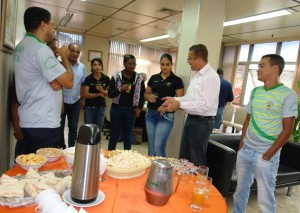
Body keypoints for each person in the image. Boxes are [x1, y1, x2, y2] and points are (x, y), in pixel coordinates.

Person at [233, 54, 298, 213]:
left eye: (262, 66)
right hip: (246, 151)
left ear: (274, 69)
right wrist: (242, 143)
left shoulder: (288, 95)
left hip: (265, 154)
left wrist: (268, 155)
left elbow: (287, 130)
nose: (258, 69)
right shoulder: (255, 91)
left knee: (265, 198)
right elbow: (248, 119)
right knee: (240, 191)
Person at [14, 7, 73, 154]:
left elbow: (38, 77)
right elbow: (69, 82)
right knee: (44, 172)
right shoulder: (41, 50)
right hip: (43, 125)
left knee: (28, 166)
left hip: (29, 121)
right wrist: (64, 56)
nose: (52, 29)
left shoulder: (21, 46)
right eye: (51, 24)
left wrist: (58, 81)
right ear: (43, 24)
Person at [162, 44, 220, 166]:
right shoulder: (197, 76)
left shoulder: (211, 77)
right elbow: (189, 98)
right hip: (191, 119)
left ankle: (197, 184)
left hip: (202, 123)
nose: (188, 62)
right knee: (184, 157)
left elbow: (205, 105)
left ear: (198, 59)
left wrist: (179, 104)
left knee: (196, 160)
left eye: (189, 58)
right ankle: (184, 184)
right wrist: (174, 99)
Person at [144, 53, 184, 157]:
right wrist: (148, 97)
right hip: (151, 114)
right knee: (151, 146)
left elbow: (180, 101)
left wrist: (165, 107)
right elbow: (146, 93)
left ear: (171, 65)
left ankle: (162, 172)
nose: (164, 67)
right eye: (162, 64)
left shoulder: (177, 80)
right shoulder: (154, 78)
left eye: (167, 64)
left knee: (158, 146)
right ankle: (151, 171)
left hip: (165, 116)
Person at [108, 54, 145, 150]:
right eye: (129, 64)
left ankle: (127, 157)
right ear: (124, 64)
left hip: (131, 111)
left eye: (134, 64)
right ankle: (109, 157)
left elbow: (142, 95)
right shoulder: (116, 77)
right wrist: (120, 89)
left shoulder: (139, 79)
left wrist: (140, 108)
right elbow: (110, 94)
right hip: (117, 110)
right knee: (114, 135)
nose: (132, 66)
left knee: (128, 136)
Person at [60, 43, 87, 148]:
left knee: (73, 128)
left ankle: (71, 149)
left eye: (77, 52)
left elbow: (83, 83)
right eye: (73, 51)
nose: (75, 54)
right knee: (60, 127)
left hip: (75, 102)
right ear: (68, 51)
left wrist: (83, 98)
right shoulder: (61, 65)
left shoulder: (82, 67)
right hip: (61, 102)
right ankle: (61, 147)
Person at [82, 58, 110, 133]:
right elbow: (85, 94)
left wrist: (102, 90)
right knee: (88, 130)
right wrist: (99, 94)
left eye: (99, 65)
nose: (97, 67)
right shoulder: (88, 79)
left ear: (102, 66)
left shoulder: (106, 79)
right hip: (89, 108)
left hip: (101, 108)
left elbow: (109, 94)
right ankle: (88, 144)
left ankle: (97, 145)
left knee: (98, 130)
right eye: (95, 65)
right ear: (91, 67)